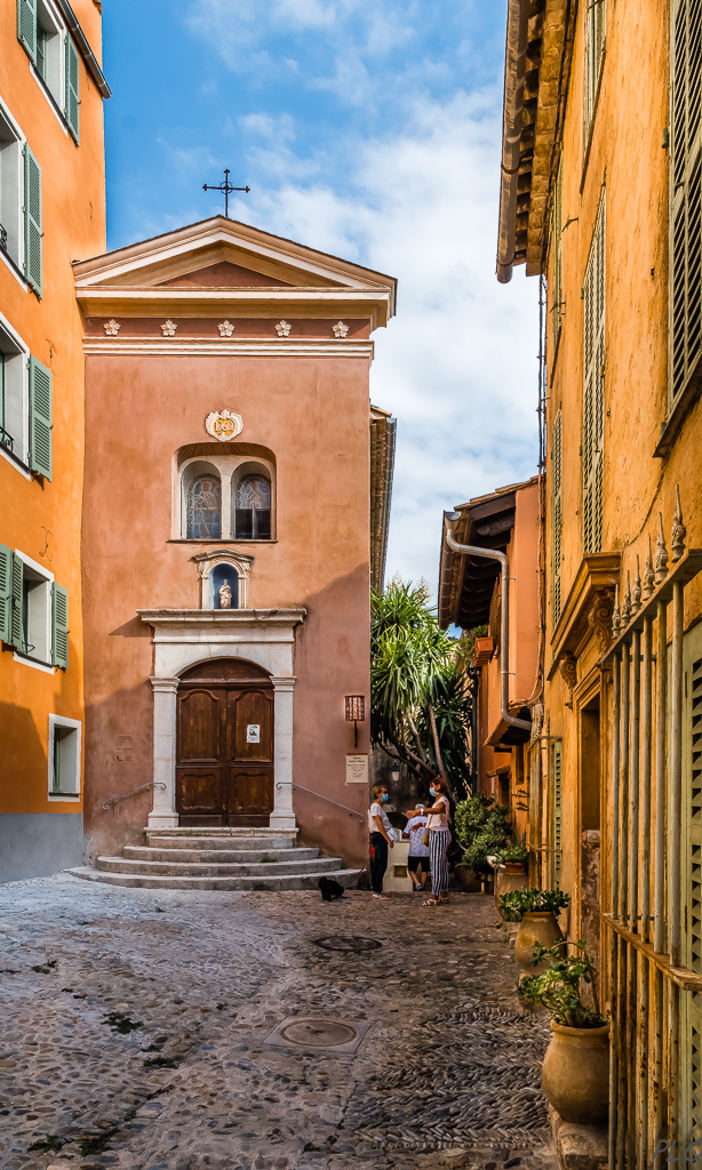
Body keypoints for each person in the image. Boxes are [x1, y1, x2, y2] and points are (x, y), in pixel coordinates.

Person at [407, 776, 451, 906]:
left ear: (438, 787)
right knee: (442, 866)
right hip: (437, 832)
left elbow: (439, 810)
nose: (431, 788)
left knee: (436, 866)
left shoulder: (442, 800)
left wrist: (420, 811)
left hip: (439, 834)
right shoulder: (438, 800)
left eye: (432, 785)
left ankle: (434, 897)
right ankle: (443, 894)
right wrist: (422, 824)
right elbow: (435, 817)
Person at [368, 784, 393, 900]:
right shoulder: (376, 807)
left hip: (378, 836)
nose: (386, 794)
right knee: (380, 864)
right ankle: (377, 890)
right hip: (379, 837)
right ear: (378, 794)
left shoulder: (379, 807)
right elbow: (379, 824)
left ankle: (377, 889)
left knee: (380, 864)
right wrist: (387, 838)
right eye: (384, 792)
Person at [404, 810, 431, 892]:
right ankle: (422, 886)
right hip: (425, 849)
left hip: (414, 850)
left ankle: (417, 884)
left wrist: (409, 835)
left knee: (411, 869)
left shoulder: (411, 821)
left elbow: (405, 833)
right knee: (425, 869)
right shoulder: (428, 820)